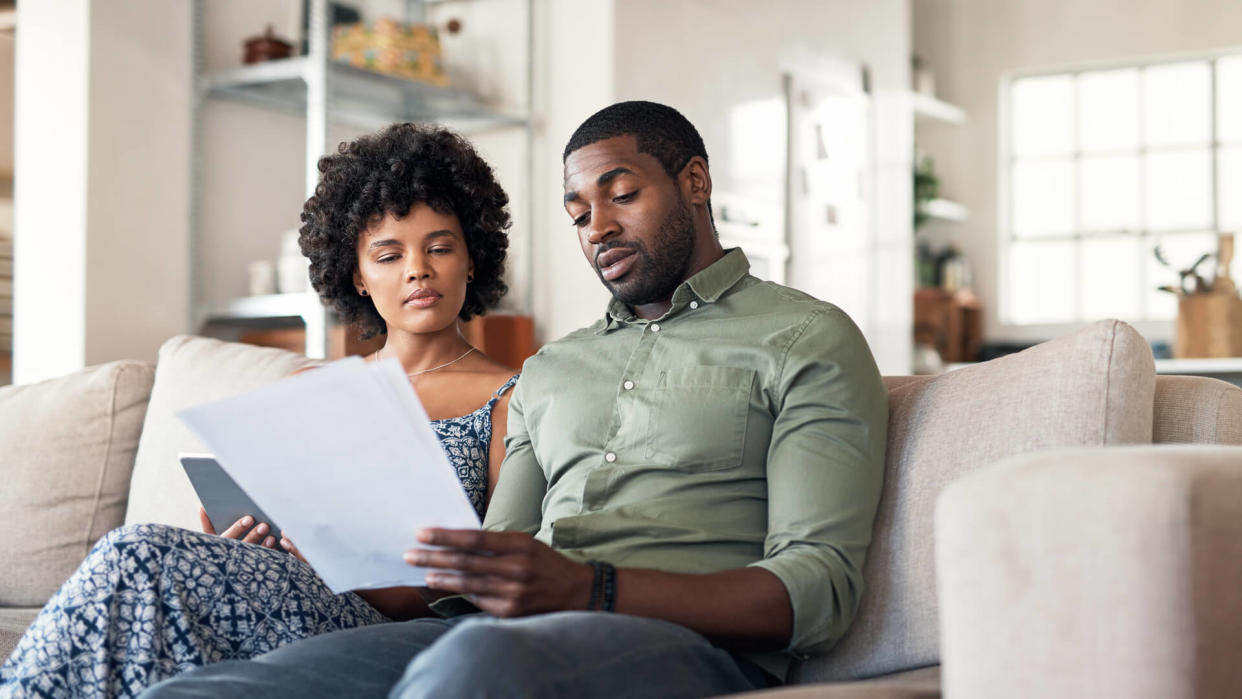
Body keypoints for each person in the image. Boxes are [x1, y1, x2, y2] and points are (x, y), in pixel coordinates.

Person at [134, 100, 889, 699]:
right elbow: (476, 585)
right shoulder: (553, 369)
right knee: (208, 687)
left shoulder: (805, 339)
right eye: (577, 212)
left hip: (688, 648)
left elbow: (818, 590)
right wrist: (328, 545)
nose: (598, 226)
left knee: (474, 668)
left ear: (695, 182)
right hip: (500, 633)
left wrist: (591, 586)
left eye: (622, 194)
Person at [0, 123, 520, 698]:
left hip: (393, 626)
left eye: (440, 247)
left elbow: (492, 584)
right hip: (286, 589)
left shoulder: (509, 397)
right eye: (389, 255)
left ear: (472, 259)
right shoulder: (315, 389)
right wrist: (242, 540)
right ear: (359, 279)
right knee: (147, 598)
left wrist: (350, 572)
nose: (417, 269)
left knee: (140, 553)